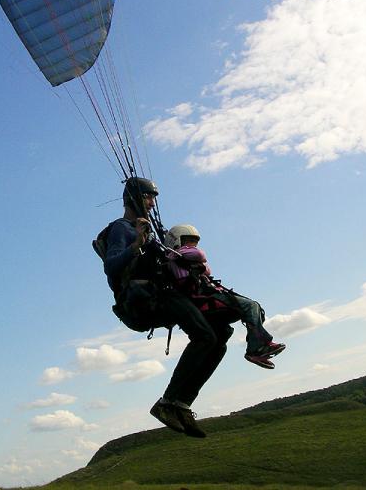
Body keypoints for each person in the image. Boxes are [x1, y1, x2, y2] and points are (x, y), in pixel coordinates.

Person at [103, 177, 233, 438]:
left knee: (221, 334)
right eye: (148, 197)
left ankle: (181, 404)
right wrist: (136, 245)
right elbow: (111, 265)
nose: (152, 203)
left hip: (167, 294)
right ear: (132, 199)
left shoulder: (152, 229)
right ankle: (168, 403)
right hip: (143, 301)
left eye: (153, 199)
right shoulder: (122, 229)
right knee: (205, 335)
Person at [165, 224, 286, 369]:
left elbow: (206, 269)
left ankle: (260, 346)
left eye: (195, 242)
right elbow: (200, 256)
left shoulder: (184, 258)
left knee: (256, 308)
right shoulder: (175, 256)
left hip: (208, 296)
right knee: (250, 306)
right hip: (202, 299)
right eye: (189, 241)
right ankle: (255, 349)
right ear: (177, 241)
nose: (193, 245)